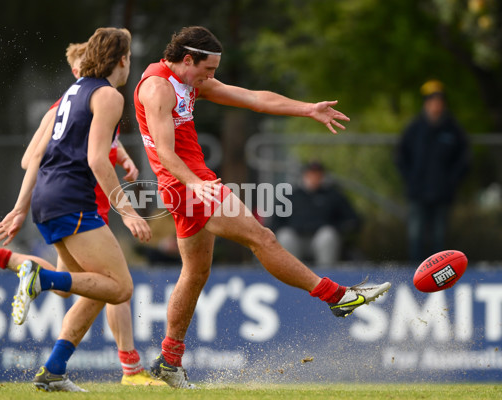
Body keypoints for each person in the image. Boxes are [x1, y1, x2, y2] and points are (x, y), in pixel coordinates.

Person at [133, 26, 391, 389]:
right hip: (188, 184)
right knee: (262, 237)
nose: (212, 77)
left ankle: (169, 360)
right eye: (209, 69)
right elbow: (164, 152)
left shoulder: (188, 81)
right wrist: (197, 185)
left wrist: (308, 109)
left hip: (189, 184)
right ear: (187, 59)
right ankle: (337, 297)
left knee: (194, 273)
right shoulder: (158, 87)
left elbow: (254, 98)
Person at [0, 43, 165, 387]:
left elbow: (95, 142)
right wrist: (126, 208)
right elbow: (37, 158)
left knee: (85, 289)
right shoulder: (89, 98)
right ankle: (131, 369)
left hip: (67, 203)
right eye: (76, 69)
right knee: (116, 287)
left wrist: (119, 153)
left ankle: (53, 368)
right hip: (81, 200)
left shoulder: (82, 101)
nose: (80, 74)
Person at [395, 80, 470, 262]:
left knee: (439, 238)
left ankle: (440, 277)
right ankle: (415, 274)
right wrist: (411, 179)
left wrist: (451, 181)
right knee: (416, 235)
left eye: (439, 101)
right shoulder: (414, 129)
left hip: (443, 193)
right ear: (426, 103)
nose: (436, 105)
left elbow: (464, 159)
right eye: (432, 101)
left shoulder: (453, 129)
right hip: (418, 192)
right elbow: (400, 156)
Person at [273, 160, 362, 266]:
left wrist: (336, 228)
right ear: (304, 175)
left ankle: (326, 278)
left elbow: (352, 220)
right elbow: (274, 222)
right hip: (296, 239)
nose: (314, 177)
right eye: (311, 174)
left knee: (327, 235)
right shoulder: (291, 195)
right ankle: (290, 275)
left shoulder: (333, 195)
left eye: (317, 174)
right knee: (285, 235)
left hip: (320, 239)